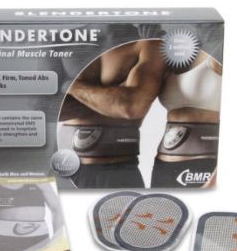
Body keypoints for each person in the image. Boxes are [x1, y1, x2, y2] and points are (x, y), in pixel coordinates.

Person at [59, 37, 166, 188]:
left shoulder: (148, 44)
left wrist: (69, 86)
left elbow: (131, 106)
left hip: (118, 170)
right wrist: (112, 102)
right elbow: (44, 108)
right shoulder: (58, 42)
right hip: (64, 167)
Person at [151, 49, 222, 188]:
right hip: (163, 165)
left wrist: (218, 174)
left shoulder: (218, 51)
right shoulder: (174, 56)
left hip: (202, 166)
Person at [0, 180, 63, 251]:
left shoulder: (41, 183)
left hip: (38, 240)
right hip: (1, 241)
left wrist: (57, 241)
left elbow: (58, 211)